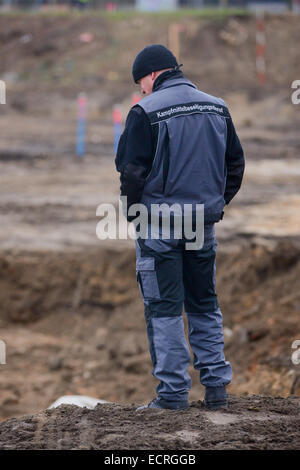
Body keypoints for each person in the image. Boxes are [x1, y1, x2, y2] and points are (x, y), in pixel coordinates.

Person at [115, 45, 245, 411]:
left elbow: (130, 171)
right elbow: (235, 165)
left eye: (141, 81)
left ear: (153, 74)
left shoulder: (145, 111)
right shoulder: (217, 106)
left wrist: (134, 213)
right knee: (204, 302)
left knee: (164, 308)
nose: (141, 89)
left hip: (158, 226)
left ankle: (172, 395)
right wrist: (212, 206)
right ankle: (216, 388)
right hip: (201, 225)